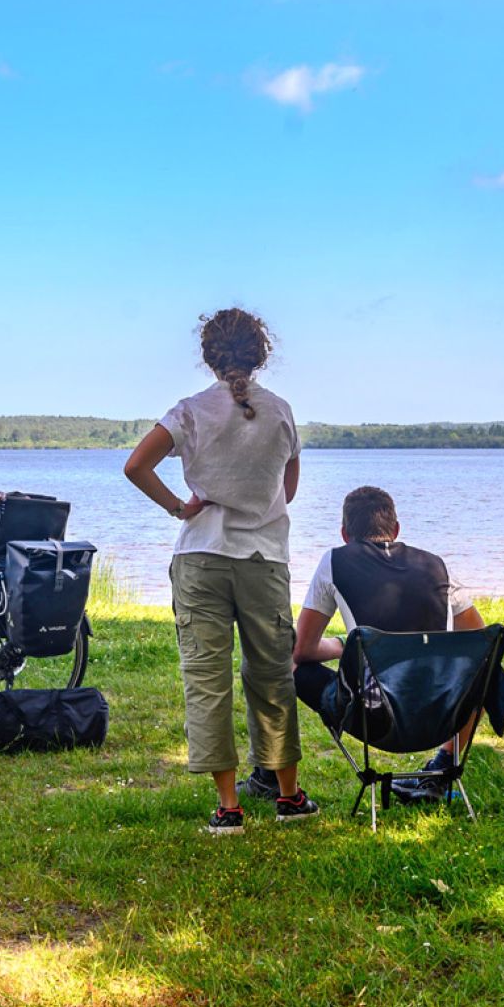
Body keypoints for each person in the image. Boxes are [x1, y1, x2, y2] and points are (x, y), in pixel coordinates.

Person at [122, 308, 317, 835]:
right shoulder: (280, 413)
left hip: (201, 558)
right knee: (272, 677)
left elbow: (136, 466)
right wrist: (259, 507)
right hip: (263, 559)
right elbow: (288, 489)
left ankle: (229, 807)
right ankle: (289, 796)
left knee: (208, 680)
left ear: (209, 356)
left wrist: (178, 508)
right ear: (260, 354)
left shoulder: (189, 412)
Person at [243, 485, 504, 804]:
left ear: (345, 533)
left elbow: (301, 650)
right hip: (443, 714)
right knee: (487, 668)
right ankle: (442, 767)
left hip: (376, 719)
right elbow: (479, 639)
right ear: (396, 530)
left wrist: (344, 645)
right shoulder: (436, 565)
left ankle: (269, 775)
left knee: (283, 663)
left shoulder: (335, 561)